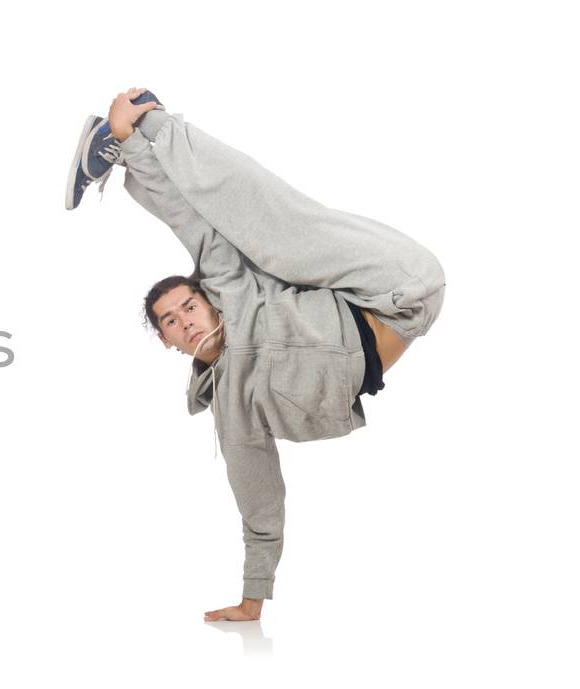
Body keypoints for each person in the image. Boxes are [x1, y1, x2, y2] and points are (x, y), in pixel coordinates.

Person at [67, 88, 446, 621]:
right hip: (405, 307)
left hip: (380, 280)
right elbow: (259, 498)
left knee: (269, 228)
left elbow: (189, 221)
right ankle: (131, 137)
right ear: (168, 342)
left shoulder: (233, 291)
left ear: (206, 300)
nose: (185, 319)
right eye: (170, 321)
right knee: (270, 238)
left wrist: (139, 148)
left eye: (187, 305)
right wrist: (253, 599)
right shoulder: (232, 407)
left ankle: (144, 128)